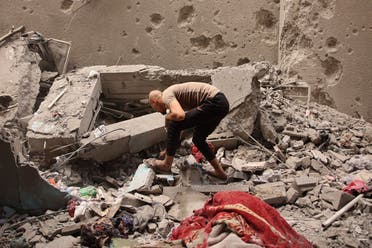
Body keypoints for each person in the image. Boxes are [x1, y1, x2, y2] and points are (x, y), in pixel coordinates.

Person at [148, 82, 229, 179]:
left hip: (214, 102)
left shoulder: (166, 96)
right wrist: (167, 150)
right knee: (198, 140)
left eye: (153, 108)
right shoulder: (174, 99)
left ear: (154, 102)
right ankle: (220, 172)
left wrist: (167, 118)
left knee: (173, 124)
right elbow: (180, 130)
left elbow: (180, 116)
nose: (156, 111)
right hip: (221, 105)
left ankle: (166, 164)